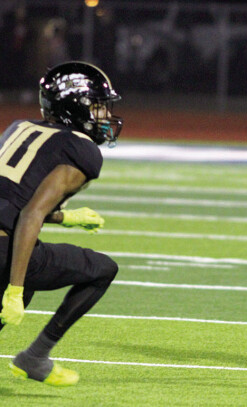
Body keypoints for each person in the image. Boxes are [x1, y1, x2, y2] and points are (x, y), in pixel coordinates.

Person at [0, 61, 123, 386]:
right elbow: (29, 214)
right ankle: (35, 357)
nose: (105, 117)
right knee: (102, 269)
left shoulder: (20, 127)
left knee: (29, 281)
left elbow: (12, 197)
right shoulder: (80, 149)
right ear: (76, 107)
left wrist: (65, 216)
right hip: (2, 248)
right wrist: (15, 287)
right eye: (98, 107)